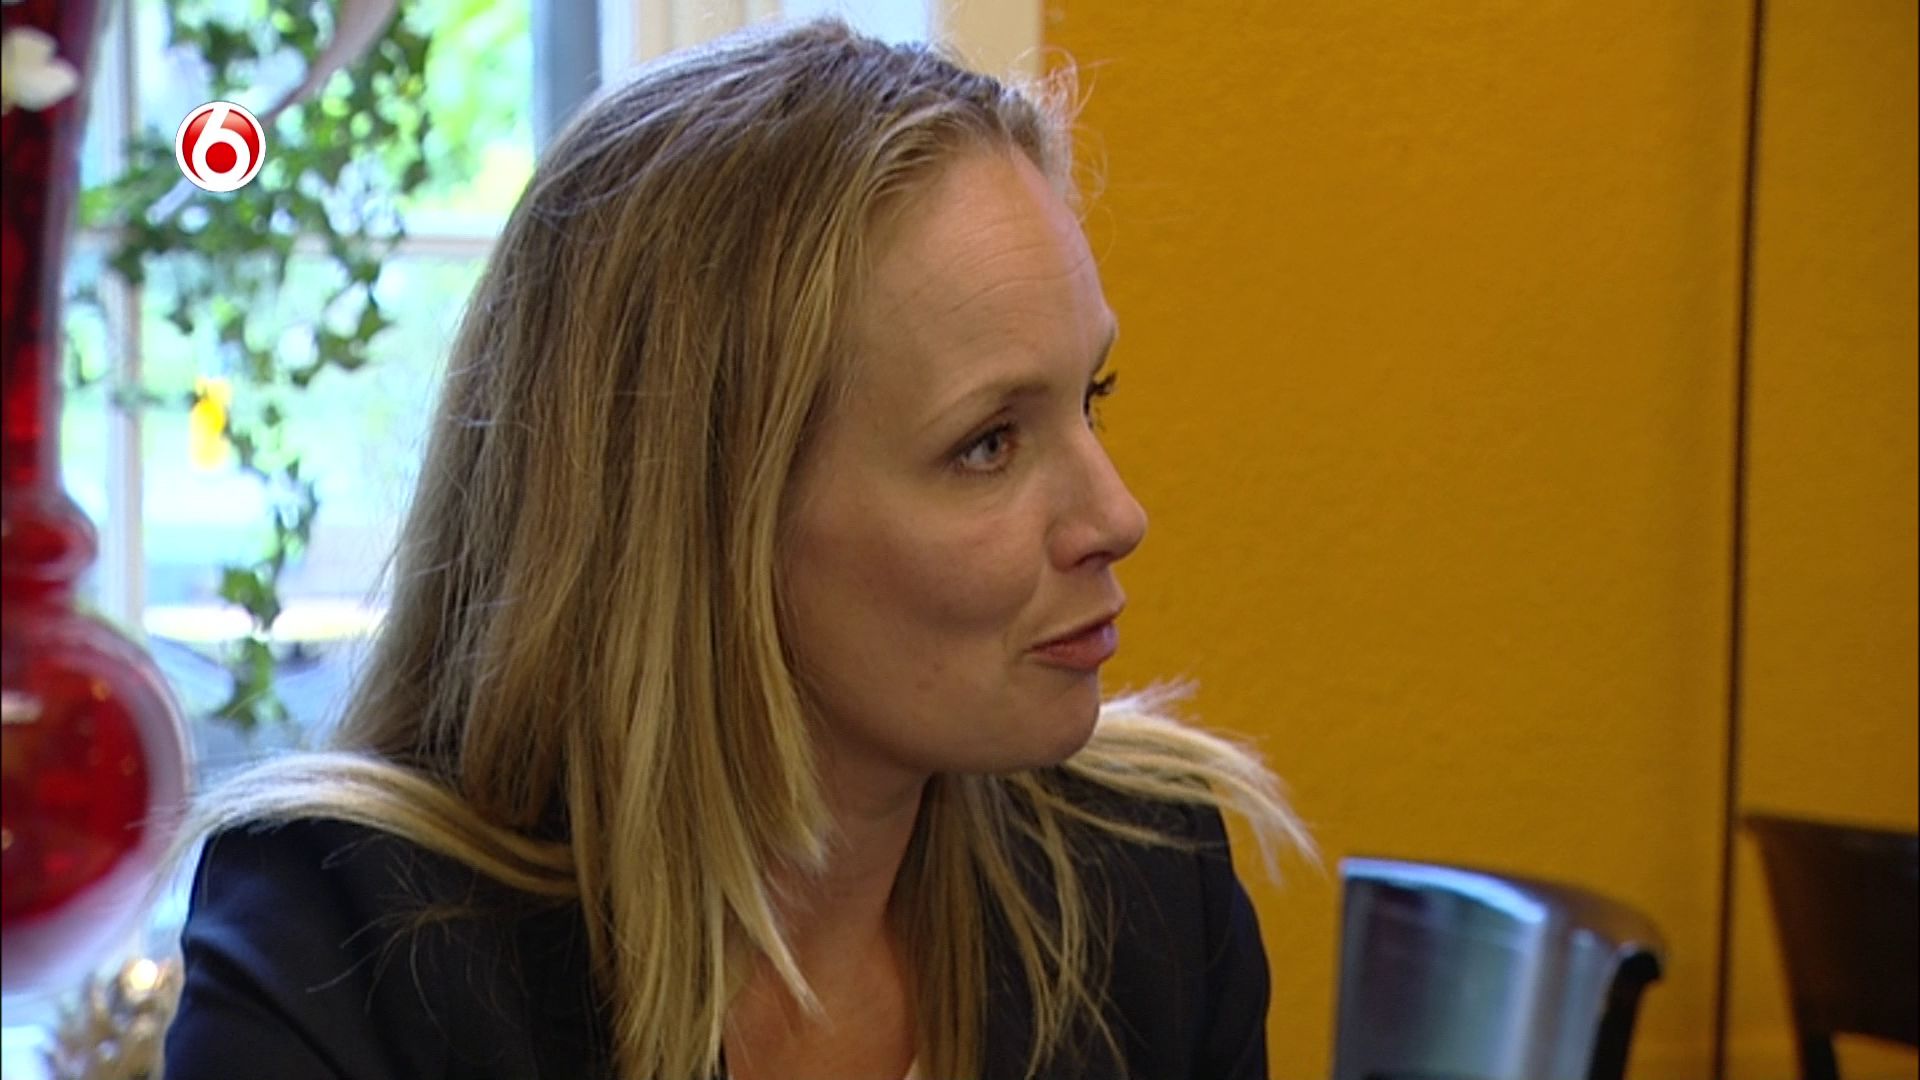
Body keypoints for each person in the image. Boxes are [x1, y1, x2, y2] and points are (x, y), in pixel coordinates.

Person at [161, 18, 1310, 1080]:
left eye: (1090, 398)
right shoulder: (343, 948)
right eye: (988, 444)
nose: (1116, 516)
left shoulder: (1147, 887)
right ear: (707, 522)